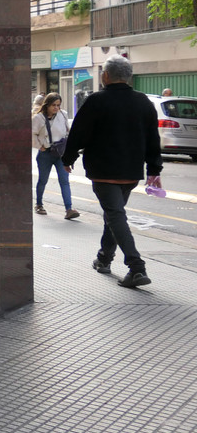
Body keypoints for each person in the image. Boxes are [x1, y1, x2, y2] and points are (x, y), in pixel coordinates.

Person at [63, 55, 163, 288]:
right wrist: (154, 169)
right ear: (128, 77)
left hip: (103, 170)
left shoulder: (96, 100)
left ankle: (136, 267)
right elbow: (153, 138)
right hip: (131, 172)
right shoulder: (143, 102)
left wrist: (68, 158)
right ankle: (104, 258)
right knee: (114, 214)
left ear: (106, 76)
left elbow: (79, 133)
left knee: (115, 215)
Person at [32, 93, 79, 219]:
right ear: (47, 105)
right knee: (43, 180)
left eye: (58, 105)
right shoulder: (38, 118)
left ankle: (69, 209)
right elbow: (31, 134)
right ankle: (39, 204)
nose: (56, 108)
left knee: (64, 181)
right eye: (53, 105)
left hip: (60, 154)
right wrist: (40, 146)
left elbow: (67, 132)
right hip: (45, 153)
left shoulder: (63, 114)